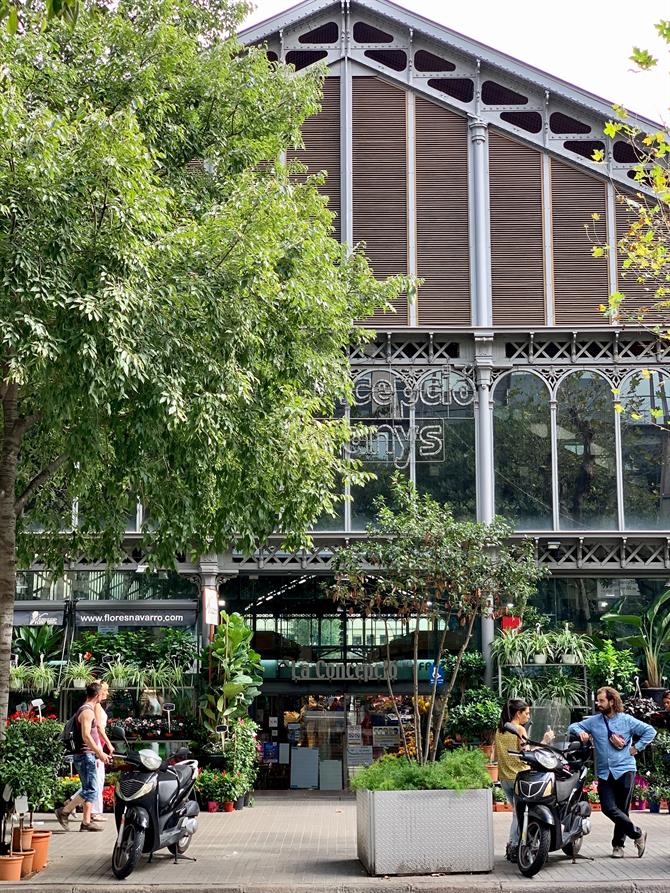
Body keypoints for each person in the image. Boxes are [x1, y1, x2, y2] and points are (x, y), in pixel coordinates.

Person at [568, 686, 656, 859]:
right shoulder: (594, 721)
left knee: (622, 809)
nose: (598, 703)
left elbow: (649, 731)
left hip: (625, 769)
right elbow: (573, 726)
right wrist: (581, 732)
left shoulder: (627, 720)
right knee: (608, 808)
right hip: (604, 772)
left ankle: (618, 846)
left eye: (601, 701)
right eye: (598, 700)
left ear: (612, 701)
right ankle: (638, 834)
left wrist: (636, 748)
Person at [494, 698, 555, 863]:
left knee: (516, 813)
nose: (528, 716)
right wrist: (545, 741)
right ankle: (514, 846)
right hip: (519, 778)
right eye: (526, 713)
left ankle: (514, 846)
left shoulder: (499, 730)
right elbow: (527, 753)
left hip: (505, 778)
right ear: (517, 713)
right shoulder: (519, 729)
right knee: (520, 814)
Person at [55, 682, 112, 832]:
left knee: (89, 788)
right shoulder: (87, 711)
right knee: (92, 789)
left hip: (87, 754)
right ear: (98, 695)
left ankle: (86, 822)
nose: (106, 695)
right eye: (104, 693)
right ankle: (64, 811)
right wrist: (100, 752)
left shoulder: (88, 709)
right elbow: (86, 736)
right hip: (85, 755)